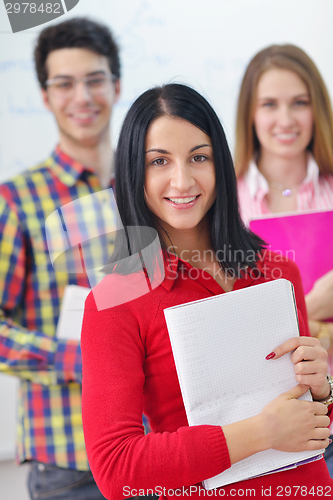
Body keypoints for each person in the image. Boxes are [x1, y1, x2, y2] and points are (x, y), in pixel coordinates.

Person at [81, 83, 333, 500]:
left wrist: (322, 389)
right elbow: (115, 469)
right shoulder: (115, 303)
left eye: (199, 157)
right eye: (159, 161)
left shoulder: (278, 272)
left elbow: (314, 428)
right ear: (132, 173)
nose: (182, 180)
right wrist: (261, 432)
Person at [0, 17, 120, 500]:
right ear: (46, 97)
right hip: (72, 464)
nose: (82, 97)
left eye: (94, 80)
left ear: (116, 84)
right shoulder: (17, 201)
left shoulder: (153, 193)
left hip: (163, 445)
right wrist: (81, 358)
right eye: (64, 84)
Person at [234, 44, 333, 474]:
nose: (286, 120)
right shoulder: (221, 204)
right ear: (250, 115)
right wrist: (311, 311)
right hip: (269, 423)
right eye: (270, 104)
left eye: (299, 103)